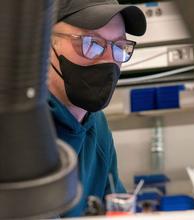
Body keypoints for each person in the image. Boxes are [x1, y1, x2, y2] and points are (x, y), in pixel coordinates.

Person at [47, 0, 147, 217]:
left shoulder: (96, 126)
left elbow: (112, 206)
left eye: (120, 47)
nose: (109, 59)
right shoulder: (17, 128)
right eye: (90, 44)